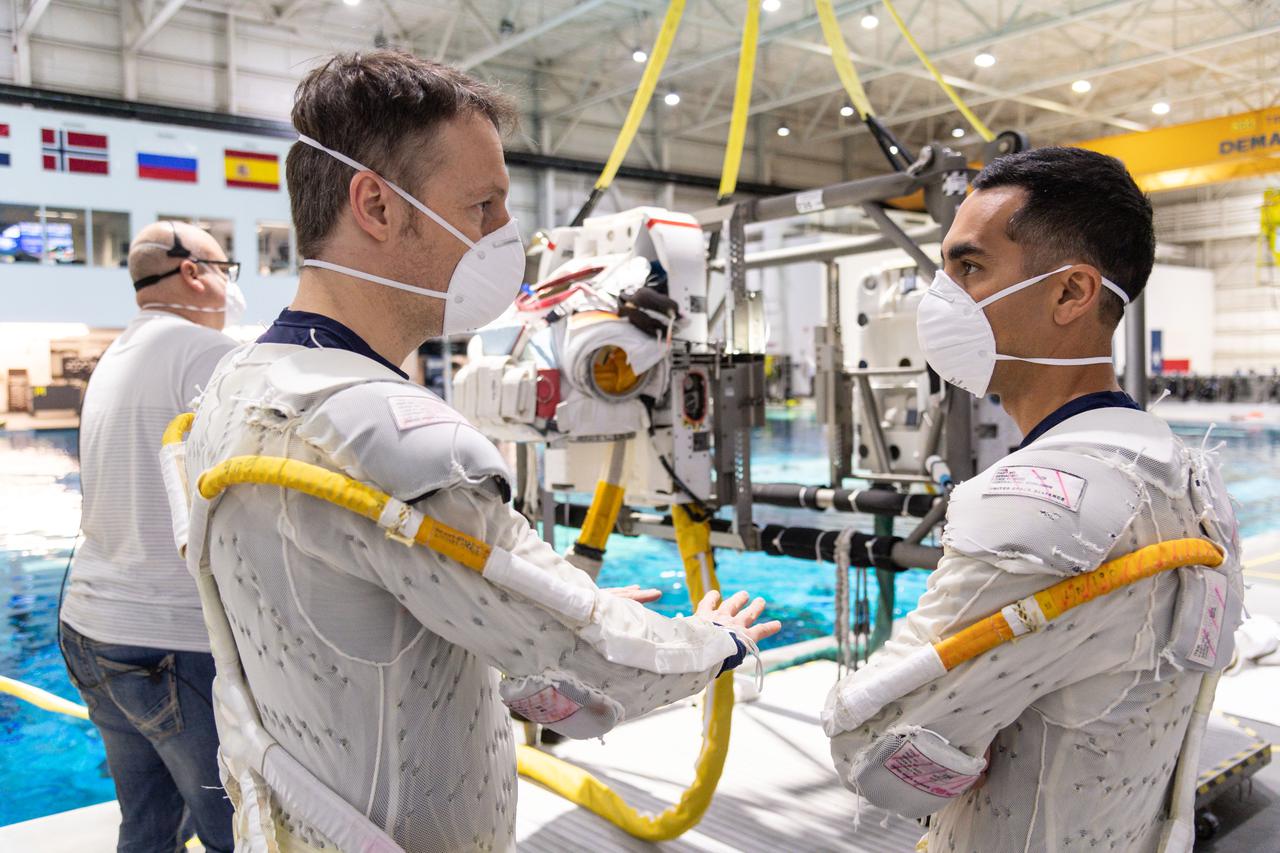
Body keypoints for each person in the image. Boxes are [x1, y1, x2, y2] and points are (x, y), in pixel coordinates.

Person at [179, 50, 780, 852]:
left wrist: (530, 611)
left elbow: (355, 622)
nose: (506, 236)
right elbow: (598, 659)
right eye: (484, 205)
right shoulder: (390, 434)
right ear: (376, 206)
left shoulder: (233, 389)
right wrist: (715, 641)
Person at [823, 147, 1242, 852]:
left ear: (1071, 293)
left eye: (970, 267)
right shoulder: (1193, 479)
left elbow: (872, 754)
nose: (939, 296)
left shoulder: (1032, 513)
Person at [60, 220, 243, 853]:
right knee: (236, 831)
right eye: (228, 268)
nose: (229, 284)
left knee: (147, 827)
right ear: (193, 272)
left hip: (90, 630)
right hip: (169, 642)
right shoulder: (207, 352)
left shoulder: (116, 353)